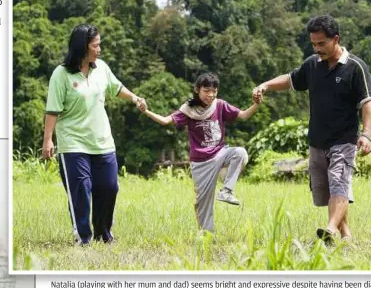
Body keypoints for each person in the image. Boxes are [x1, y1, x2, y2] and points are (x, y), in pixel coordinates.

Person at [253, 15, 371, 244]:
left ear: (335, 39)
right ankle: (346, 235)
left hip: (344, 140)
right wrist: (266, 85)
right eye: (313, 44)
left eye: (321, 44)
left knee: (340, 183)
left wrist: (366, 134)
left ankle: (329, 231)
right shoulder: (312, 64)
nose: (317, 48)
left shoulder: (355, 67)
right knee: (328, 192)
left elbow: (368, 102)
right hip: (317, 141)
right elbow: (291, 80)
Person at [42, 24, 146, 245]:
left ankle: (103, 233)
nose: (100, 49)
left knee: (109, 187)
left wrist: (135, 98)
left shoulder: (102, 69)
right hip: (73, 143)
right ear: (83, 47)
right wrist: (48, 139)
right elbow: (52, 110)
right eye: (96, 45)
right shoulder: (61, 75)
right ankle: (83, 238)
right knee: (81, 192)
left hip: (102, 141)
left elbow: (116, 88)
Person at [140, 72, 259, 234]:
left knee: (240, 153)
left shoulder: (220, 105)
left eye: (214, 91)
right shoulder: (188, 109)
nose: (210, 95)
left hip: (219, 153)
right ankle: (207, 236)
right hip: (200, 162)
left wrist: (256, 104)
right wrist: (146, 111)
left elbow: (244, 116)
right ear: (197, 90)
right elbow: (165, 120)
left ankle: (226, 191)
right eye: (206, 90)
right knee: (202, 204)